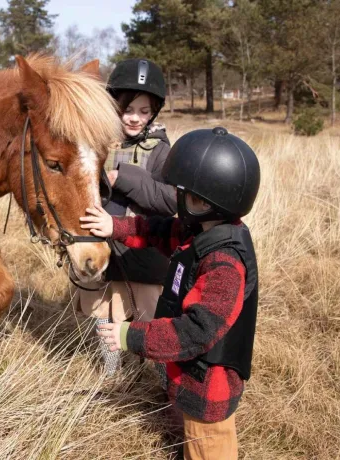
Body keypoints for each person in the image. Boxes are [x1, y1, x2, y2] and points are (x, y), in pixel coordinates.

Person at [81, 127, 261, 460]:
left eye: (184, 193)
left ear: (205, 200)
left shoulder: (224, 264)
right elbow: (157, 230)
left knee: (207, 446)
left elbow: (194, 333)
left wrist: (129, 336)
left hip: (207, 388)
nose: (177, 198)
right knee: (191, 440)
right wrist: (115, 226)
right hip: (190, 378)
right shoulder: (202, 231)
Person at [76, 59, 177, 375]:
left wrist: (124, 178)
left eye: (144, 111)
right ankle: (111, 369)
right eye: (128, 109)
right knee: (105, 313)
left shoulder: (161, 150)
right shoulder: (97, 143)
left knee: (151, 320)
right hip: (102, 248)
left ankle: (161, 378)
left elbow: (169, 200)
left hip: (144, 251)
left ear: (154, 113)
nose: (134, 118)